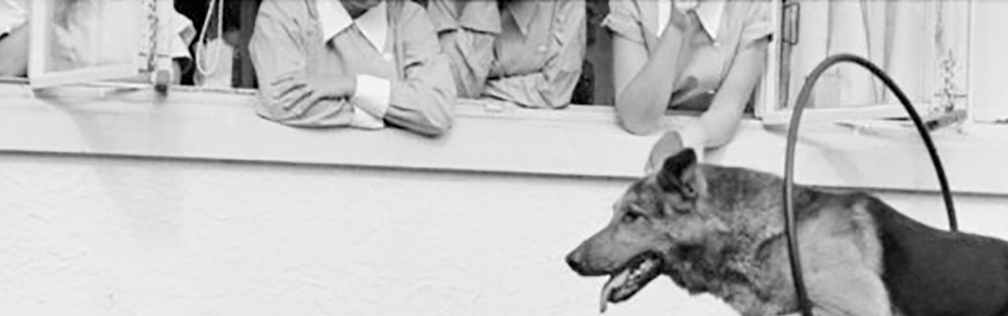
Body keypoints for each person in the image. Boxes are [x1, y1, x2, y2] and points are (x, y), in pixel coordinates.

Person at [250, 0, 454, 135]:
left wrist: (352, 86)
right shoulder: (286, 9)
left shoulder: (408, 17)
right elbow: (281, 100)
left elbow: (436, 110)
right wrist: (375, 115)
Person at [604, 0, 772, 152]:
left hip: (713, 153)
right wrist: (676, 27)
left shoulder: (752, 6)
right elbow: (636, 118)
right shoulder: (635, 4)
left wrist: (687, 139)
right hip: (636, 147)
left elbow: (727, 110)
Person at [427, 0, 590, 108]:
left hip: (536, 135)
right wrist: (482, 5)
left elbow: (555, 92)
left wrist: (483, 89)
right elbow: (451, 90)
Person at [0, 0, 194, 81]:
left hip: (125, 129)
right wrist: (55, 7)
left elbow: (169, 73)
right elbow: (4, 68)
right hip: (42, 131)